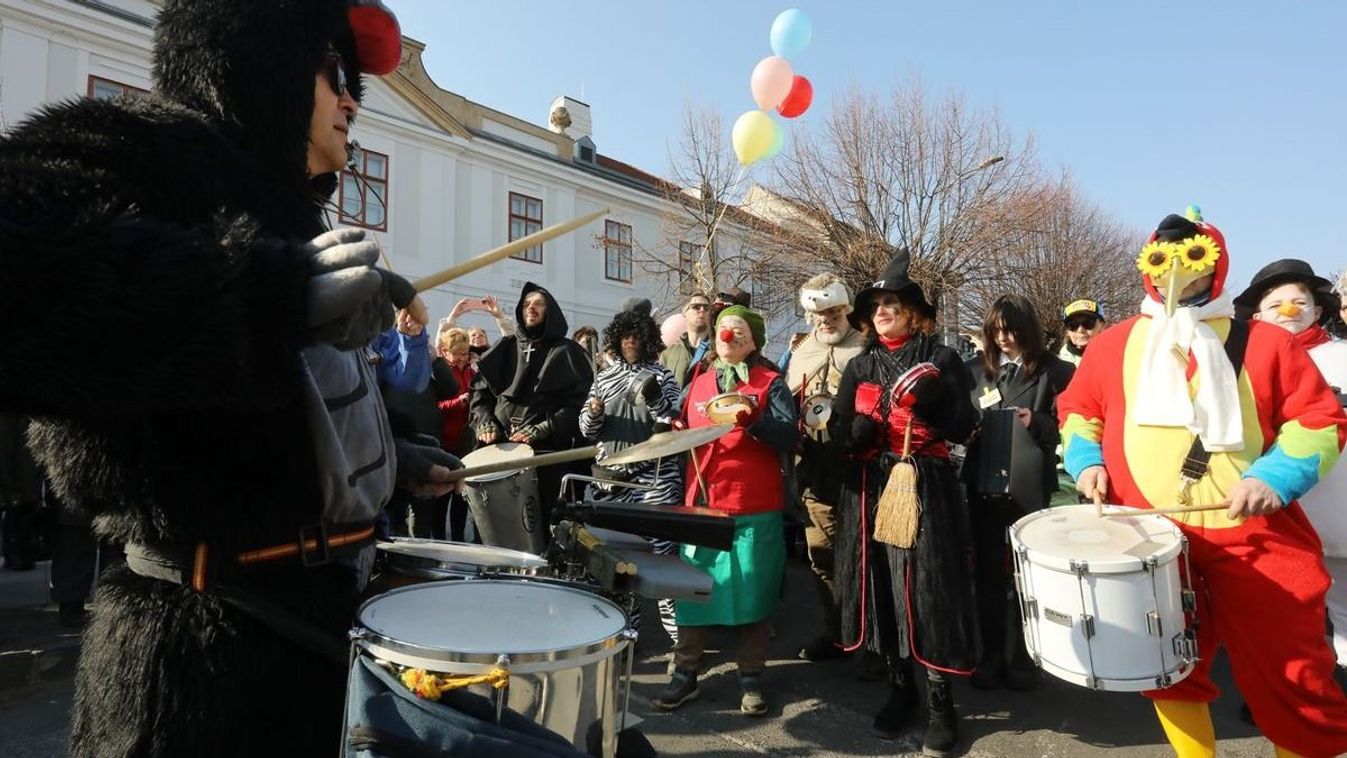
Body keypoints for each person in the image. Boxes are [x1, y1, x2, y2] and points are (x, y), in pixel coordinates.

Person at [0, 2, 463, 754]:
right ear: (262, 62)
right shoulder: (144, 149)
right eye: (333, 73)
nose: (350, 99)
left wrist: (387, 461)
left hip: (318, 628)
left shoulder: (294, 216)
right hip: (201, 650)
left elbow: (283, 418)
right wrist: (265, 295)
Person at [1059, 210, 1347, 758]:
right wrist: (1085, 459)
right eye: (1161, 261)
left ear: (1214, 265)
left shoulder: (1267, 344)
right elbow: (1079, 411)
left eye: (1190, 260)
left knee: (1294, 667)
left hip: (1255, 533)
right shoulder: (1113, 344)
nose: (1174, 275)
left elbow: (1318, 421)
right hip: (1149, 537)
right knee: (1164, 664)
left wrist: (1275, 476)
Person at [829, 248, 979, 756]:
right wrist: (853, 432)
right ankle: (901, 690)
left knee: (926, 590)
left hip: (926, 486)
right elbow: (836, 434)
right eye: (875, 306)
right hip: (871, 489)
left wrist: (934, 403)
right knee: (881, 591)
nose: (882, 310)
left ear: (913, 312)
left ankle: (941, 703)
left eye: (892, 302)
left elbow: (967, 427)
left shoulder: (942, 358)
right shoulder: (859, 365)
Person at [653, 305, 797, 717]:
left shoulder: (771, 382)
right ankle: (685, 673)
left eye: (737, 332)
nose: (727, 338)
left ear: (753, 341)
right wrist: (674, 429)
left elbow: (790, 435)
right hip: (703, 502)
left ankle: (751, 675)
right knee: (694, 591)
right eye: (722, 331)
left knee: (755, 589)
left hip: (755, 503)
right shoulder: (697, 379)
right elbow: (678, 423)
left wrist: (755, 422)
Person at [1235, 258, 1347, 670]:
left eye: (1299, 302)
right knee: (1282, 603)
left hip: (1338, 501)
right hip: (1273, 508)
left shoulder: (1341, 357)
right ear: (1257, 315)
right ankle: (1287, 682)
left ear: (1318, 310)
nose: (1288, 311)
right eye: (1276, 303)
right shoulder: (1241, 363)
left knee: (1342, 602)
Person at [960, 294, 1074, 691]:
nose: (1004, 339)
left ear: (1028, 331)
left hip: (1030, 488)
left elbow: (1074, 424)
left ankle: (1027, 655)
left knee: (1029, 574)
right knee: (989, 574)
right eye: (997, 331)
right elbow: (956, 419)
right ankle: (991, 655)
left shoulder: (1056, 373)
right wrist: (968, 429)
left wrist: (1037, 422)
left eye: (1012, 331)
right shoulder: (973, 370)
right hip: (983, 486)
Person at [580, 300, 683, 640]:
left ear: (648, 339)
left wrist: (655, 399)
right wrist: (594, 411)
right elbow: (586, 430)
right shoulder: (604, 378)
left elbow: (672, 420)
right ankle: (627, 635)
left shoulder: (663, 374)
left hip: (654, 482)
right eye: (624, 337)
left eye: (636, 337)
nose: (630, 343)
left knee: (662, 563)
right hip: (612, 483)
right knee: (620, 566)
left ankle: (681, 646)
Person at [784, 273, 867, 662]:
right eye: (818, 313)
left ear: (846, 309)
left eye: (833, 311)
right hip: (814, 468)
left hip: (859, 468)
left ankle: (869, 640)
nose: (826, 320)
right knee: (821, 555)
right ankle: (837, 632)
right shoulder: (800, 350)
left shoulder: (866, 348)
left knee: (863, 556)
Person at [471, 283, 593, 528]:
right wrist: (485, 421)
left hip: (543, 456)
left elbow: (579, 403)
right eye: (526, 304)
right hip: (499, 449)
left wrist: (548, 426)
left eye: (538, 304)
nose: (531, 309)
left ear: (551, 311)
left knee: (538, 525)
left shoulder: (567, 352)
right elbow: (480, 395)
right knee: (494, 526)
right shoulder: (505, 346)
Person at [437, 327, 477, 541]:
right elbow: (434, 405)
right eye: (457, 353)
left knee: (461, 494)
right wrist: (457, 402)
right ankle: (437, 538)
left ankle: (458, 538)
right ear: (445, 351)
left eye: (465, 353)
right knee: (442, 493)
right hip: (444, 442)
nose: (462, 358)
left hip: (465, 444)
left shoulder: (471, 371)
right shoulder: (440, 370)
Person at [659, 292, 712, 389]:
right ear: (684, 313)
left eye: (706, 308)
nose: (702, 310)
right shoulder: (668, 354)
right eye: (696, 307)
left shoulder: (719, 349)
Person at [1057, 298, 1105, 366]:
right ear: (1067, 331)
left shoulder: (1118, 357)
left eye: (1088, 323)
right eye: (1073, 325)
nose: (1080, 330)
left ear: (1102, 326)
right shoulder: (1058, 367)